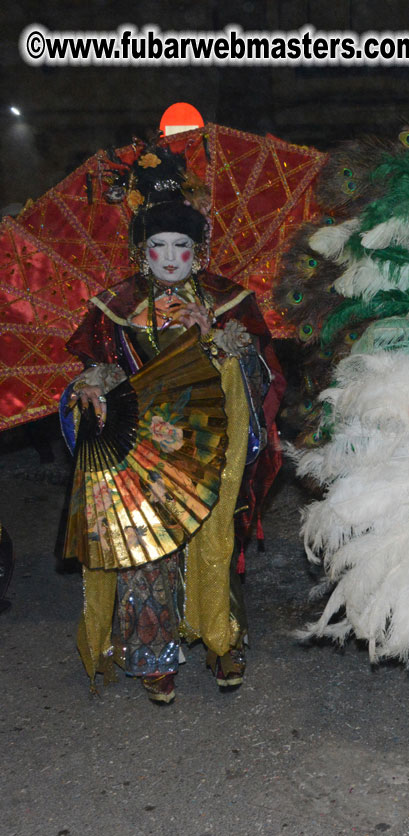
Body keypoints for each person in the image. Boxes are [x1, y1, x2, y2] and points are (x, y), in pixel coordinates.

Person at [64, 158, 284, 703]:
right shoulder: (117, 308)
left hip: (209, 442)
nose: (168, 258)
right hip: (143, 449)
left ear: (197, 251)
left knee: (214, 538)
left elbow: (260, 376)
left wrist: (214, 340)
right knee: (148, 546)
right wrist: (91, 388)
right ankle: (153, 653)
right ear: (141, 250)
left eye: (180, 247)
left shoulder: (226, 302)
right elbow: (98, 370)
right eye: (157, 246)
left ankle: (221, 638)